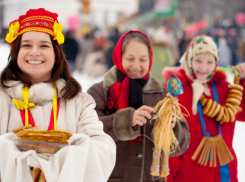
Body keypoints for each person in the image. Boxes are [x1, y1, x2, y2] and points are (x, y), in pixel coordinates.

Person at [0, 8, 116, 182]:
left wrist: (66, 158)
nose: (34, 52)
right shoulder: (2, 98)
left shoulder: (79, 102)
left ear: (56, 54)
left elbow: (103, 148)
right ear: (16, 53)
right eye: (26, 45)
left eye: (44, 45)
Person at [87, 30, 190, 182]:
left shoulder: (163, 95)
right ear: (118, 57)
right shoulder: (100, 91)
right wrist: (126, 121)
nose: (136, 65)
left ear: (150, 60)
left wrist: (172, 129)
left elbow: (182, 145)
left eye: (143, 59)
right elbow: (87, 134)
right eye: (130, 58)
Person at [162, 35, 245, 182]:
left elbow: (241, 114)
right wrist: (167, 175)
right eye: (198, 60)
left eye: (209, 62)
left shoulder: (224, 89)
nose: (203, 68)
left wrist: (243, 82)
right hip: (189, 173)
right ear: (188, 59)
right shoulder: (177, 92)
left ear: (217, 63)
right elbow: (169, 137)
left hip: (222, 172)